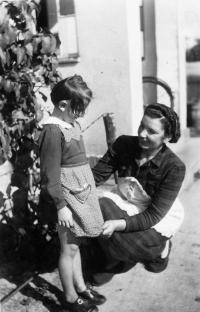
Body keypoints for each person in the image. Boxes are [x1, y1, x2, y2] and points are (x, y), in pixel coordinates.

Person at [91, 103, 186, 279]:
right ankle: (117, 256)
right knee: (99, 207)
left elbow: (152, 216)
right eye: (142, 125)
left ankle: (160, 250)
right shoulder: (123, 144)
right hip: (126, 201)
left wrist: (116, 224)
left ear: (167, 136)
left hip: (153, 215)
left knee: (124, 243)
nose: (142, 134)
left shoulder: (174, 167)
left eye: (151, 131)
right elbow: (95, 177)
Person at [38, 75, 106, 312]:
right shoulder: (52, 131)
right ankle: (69, 298)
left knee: (76, 245)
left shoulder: (71, 123)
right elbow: (50, 174)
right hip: (66, 199)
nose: (82, 115)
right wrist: (60, 205)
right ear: (64, 105)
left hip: (80, 193)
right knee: (69, 248)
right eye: (79, 109)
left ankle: (80, 287)